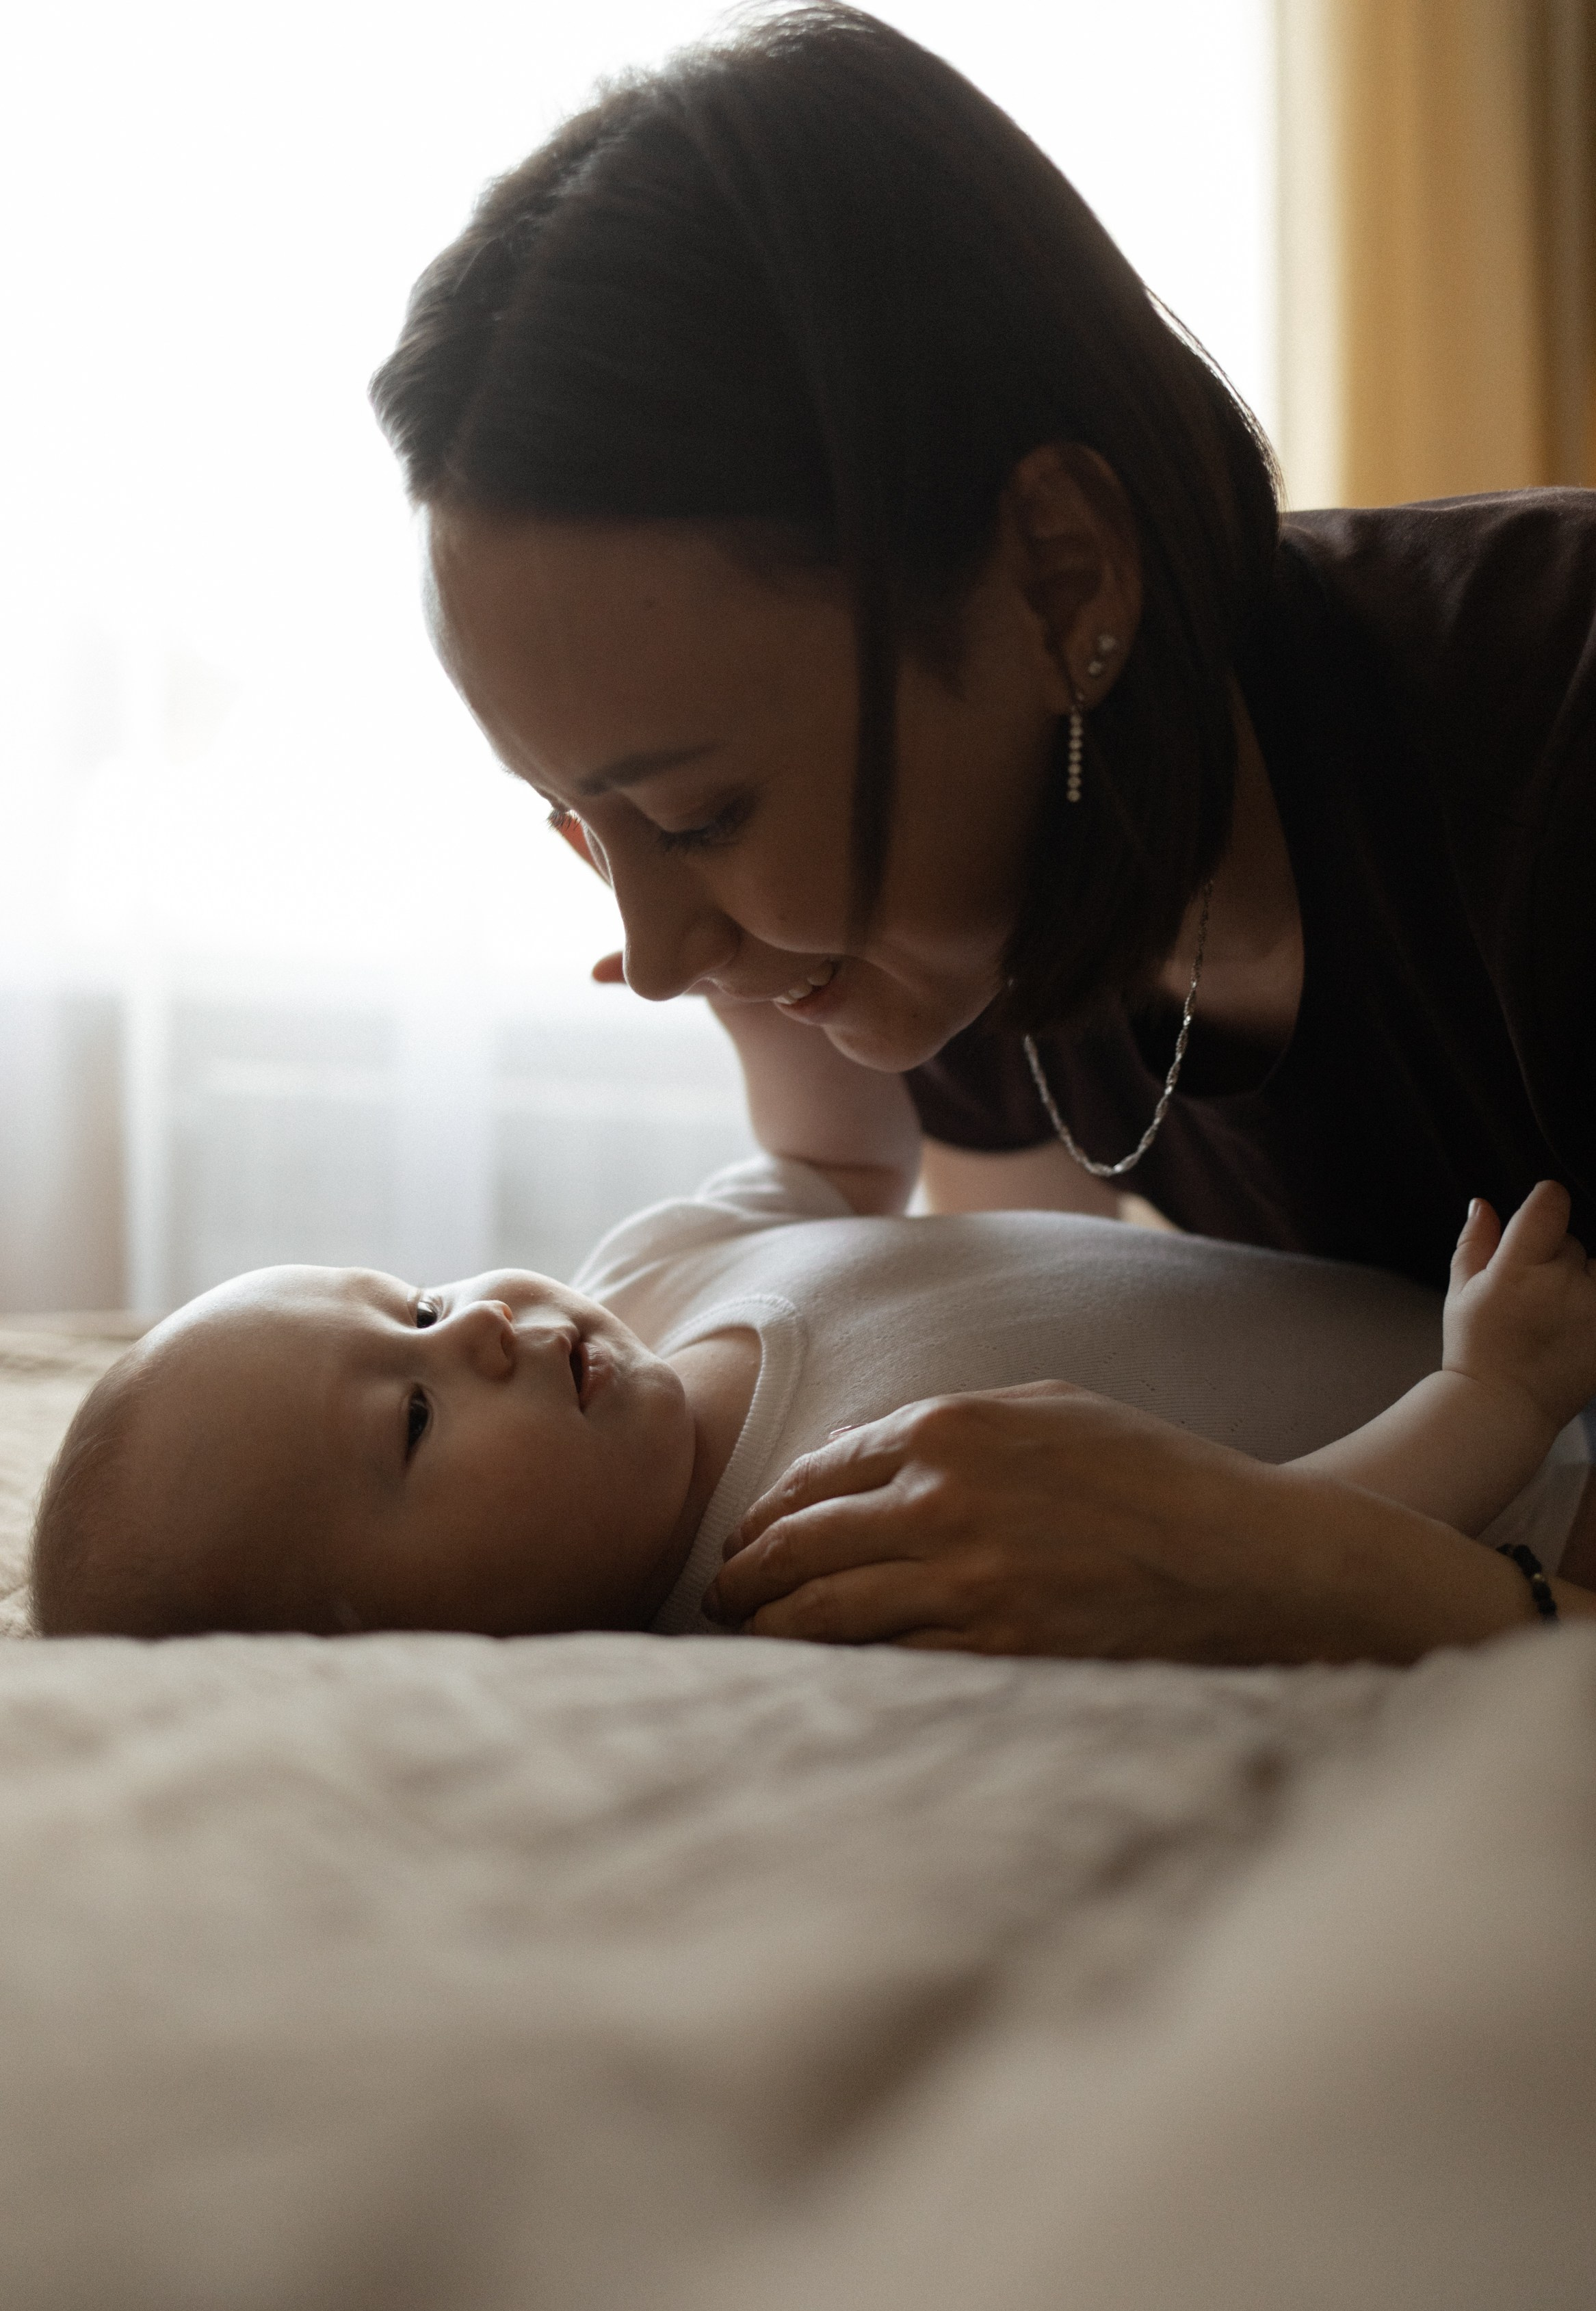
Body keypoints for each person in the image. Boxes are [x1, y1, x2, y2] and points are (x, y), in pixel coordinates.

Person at [363, 3, 1595, 1656]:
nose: (656, 964)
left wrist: (1319, 1566)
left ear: (1060, 579)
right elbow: (1034, 1329)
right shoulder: (997, 902)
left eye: (707, 813)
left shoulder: (1554, 764)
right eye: (589, 830)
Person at [26, 978, 1596, 1647]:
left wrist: (755, 986)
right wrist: (1493, 1408)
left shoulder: (648, 1276)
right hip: (1528, 1487)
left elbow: (836, 1155)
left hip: (1476, 1299)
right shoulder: (816, 1570)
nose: (478, 1332)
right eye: (415, 1415)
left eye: (419, 1303)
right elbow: (1244, 1558)